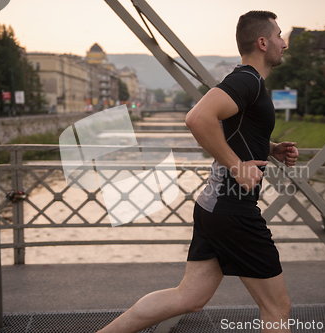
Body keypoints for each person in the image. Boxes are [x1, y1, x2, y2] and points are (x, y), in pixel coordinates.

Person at [98, 10, 298, 333]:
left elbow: (235, 131)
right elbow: (197, 119)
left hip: (214, 207)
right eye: (279, 36)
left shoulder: (248, 82)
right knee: (277, 307)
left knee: (188, 297)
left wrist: (271, 148)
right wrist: (237, 166)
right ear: (262, 42)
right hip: (233, 210)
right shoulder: (247, 79)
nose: (284, 43)